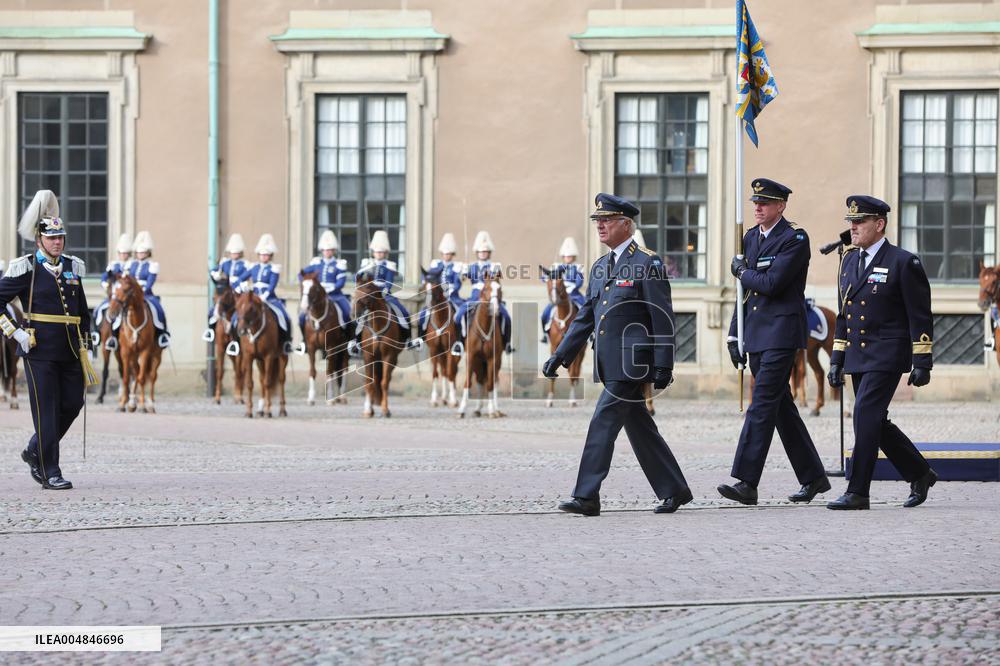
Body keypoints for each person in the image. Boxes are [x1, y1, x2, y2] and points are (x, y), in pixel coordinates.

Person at [543, 193, 692, 516]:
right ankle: (674, 489)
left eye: (606, 220)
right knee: (640, 428)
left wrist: (664, 364)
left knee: (603, 421)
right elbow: (586, 317)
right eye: (597, 221)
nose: (600, 226)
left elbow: (661, 315)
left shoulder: (647, 263)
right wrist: (561, 355)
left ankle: (586, 495)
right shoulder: (599, 267)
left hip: (633, 362)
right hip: (608, 360)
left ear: (626, 224)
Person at [720, 178, 829, 506]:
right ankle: (813, 477)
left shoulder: (794, 239)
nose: (757, 207)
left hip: (781, 335)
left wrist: (741, 272)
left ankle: (746, 481)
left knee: (762, 405)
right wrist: (734, 333)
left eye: (764, 203)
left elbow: (772, 282)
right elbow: (745, 296)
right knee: (781, 409)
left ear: (781, 206)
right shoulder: (750, 238)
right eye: (755, 202)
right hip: (755, 334)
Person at [826, 196, 937, 510]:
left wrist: (922, 360)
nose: (853, 227)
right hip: (859, 356)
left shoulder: (903, 261)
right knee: (875, 421)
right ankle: (919, 472)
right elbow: (845, 315)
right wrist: (837, 358)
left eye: (859, 221)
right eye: (851, 221)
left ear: (880, 224)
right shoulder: (849, 261)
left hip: (888, 353)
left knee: (865, 416)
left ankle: (858, 491)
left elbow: (920, 315)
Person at [0, 190, 96, 490]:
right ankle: (50, 469)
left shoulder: (71, 267)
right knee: (46, 408)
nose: (57, 242)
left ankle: (33, 449)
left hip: (69, 350)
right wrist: (14, 332)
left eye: (60, 237)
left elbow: (81, 310)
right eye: (51, 238)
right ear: (39, 239)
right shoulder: (24, 267)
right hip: (38, 350)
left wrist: (86, 345)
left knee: (72, 404)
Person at [352, 230, 421, 353]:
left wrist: (383, 292)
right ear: (373, 252)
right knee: (359, 316)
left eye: (382, 252)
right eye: (377, 252)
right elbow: (357, 280)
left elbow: (389, 282)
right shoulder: (367, 264)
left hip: (385, 296)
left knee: (402, 312)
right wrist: (364, 268)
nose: (379, 254)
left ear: (385, 253)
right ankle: (356, 342)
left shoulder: (389, 266)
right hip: (369, 296)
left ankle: (409, 339)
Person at [230, 233, 293, 353]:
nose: (264, 257)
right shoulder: (254, 267)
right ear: (259, 255)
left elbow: (272, 285)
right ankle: (235, 343)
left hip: (269, 298)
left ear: (270, 256)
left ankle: (286, 343)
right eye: (262, 254)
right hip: (253, 298)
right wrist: (238, 287)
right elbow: (240, 279)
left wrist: (265, 295)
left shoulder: (273, 268)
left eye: (266, 255)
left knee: (284, 316)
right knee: (235, 317)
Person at [452, 231, 513, 355]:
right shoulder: (472, 266)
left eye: (485, 252)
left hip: (491, 298)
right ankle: (459, 342)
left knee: (506, 317)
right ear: (477, 253)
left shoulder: (494, 266)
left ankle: (506, 343)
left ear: (489, 253)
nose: (483, 254)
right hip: (474, 297)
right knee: (458, 316)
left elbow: (496, 279)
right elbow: (462, 279)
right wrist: (462, 272)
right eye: (480, 252)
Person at [298, 229, 351, 333]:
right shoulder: (316, 263)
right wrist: (305, 284)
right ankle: (303, 341)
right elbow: (301, 274)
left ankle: (349, 340)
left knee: (347, 312)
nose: (327, 252)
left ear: (334, 250)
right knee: (302, 316)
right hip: (318, 296)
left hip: (335, 295)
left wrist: (331, 289)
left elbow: (341, 282)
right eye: (325, 250)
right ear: (322, 250)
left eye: (330, 250)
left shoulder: (338, 264)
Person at [128, 231, 171, 348]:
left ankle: (162, 334)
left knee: (158, 308)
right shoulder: (131, 264)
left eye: (143, 252)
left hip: (146, 294)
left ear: (148, 253)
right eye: (138, 252)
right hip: (130, 294)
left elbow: (150, 282)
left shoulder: (152, 265)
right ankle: (114, 335)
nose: (140, 254)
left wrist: (141, 291)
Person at [418, 233, 464, 340]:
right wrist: (426, 282)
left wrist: (450, 291)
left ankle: (459, 340)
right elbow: (427, 276)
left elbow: (457, 284)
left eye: (449, 254)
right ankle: (421, 337)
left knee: (460, 315)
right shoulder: (436, 264)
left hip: (452, 297)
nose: (446, 256)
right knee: (423, 314)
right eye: (444, 253)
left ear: (452, 254)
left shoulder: (456, 267)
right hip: (437, 297)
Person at [540, 237, 585, 344]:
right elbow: (547, 278)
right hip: (559, 295)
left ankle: (590, 334)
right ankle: (545, 334)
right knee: (545, 313)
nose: (567, 258)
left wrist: (570, 288)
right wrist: (547, 277)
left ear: (574, 257)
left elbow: (579, 282)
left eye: (570, 256)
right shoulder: (556, 267)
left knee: (586, 310)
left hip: (574, 295)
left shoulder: (578, 267)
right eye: (565, 256)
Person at [204, 233, 248, 342]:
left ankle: (238, 338)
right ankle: (210, 331)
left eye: (236, 252)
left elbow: (245, 276)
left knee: (241, 313)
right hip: (226, 291)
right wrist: (215, 273)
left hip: (238, 293)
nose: (234, 254)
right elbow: (214, 270)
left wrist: (240, 284)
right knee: (212, 311)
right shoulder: (225, 263)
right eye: (232, 252)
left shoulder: (245, 264)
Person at [93, 233, 133, 348]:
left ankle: (115, 337)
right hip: (113, 296)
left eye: (125, 253)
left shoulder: (132, 265)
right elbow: (104, 277)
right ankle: (97, 334)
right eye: (121, 253)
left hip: (126, 297)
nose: (123, 255)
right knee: (98, 310)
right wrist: (106, 285)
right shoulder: (113, 265)